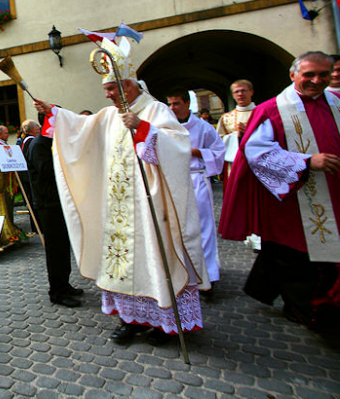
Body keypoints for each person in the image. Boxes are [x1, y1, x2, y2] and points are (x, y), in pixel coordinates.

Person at [34, 42, 209, 345]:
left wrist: (144, 129)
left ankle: (163, 323)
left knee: (154, 261)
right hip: (117, 209)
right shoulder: (110, 115)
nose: (108, 95)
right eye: (106, 89)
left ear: (129, 85)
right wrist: (56, 113)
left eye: (112, 88)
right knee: (121, 263)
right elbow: (83, 129)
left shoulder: (156, 110)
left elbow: (179, 149)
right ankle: (130, 319)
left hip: (150, 208)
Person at [219, 51, 340, 332]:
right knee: (299, 256)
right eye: (308, 74)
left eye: (323, 74)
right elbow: (256, 152)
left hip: (333, 191)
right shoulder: (273, 109)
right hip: (294, 196)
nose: (316, 80)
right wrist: (307, 162)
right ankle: (305, 310)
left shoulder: (335, 103)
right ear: (293, 75)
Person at [166, 89, 225, 291]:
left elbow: (219, 151)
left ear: (187, 103)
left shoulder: (203, 127)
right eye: (170, 104)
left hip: (197, 178)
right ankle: (185, 275)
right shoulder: (166, 127)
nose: (172, 108)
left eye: (176, 103)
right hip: (174, 180)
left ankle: (208, 275)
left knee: (203, 229)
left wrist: (196, 152)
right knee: (178, 229)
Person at [24, 116, 83, 308]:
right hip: (47, 205)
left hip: (58, 204)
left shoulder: (51, 142)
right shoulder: (40, 144)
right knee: (55, 250)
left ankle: (64, 284)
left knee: (63, 247)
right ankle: (56, 291)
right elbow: (48, 172)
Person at [216, 80, 256, 181]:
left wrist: (249, 133)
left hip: (259, 162)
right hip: (235, 164)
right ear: (233, 95)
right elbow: (218, 142)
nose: (240, 94)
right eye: (236, 92)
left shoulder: (263, 113)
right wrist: (235, 136)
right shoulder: (226, 118)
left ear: (251, 92)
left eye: (243, 90)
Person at [19, 120, 39, 234]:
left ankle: (36, 226)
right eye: (37, 128)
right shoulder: (31, 141)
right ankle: (36, 226)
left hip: (27, 176)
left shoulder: (26, 141)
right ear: (31, 130)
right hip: (30, 177)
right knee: (33, 201)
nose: (39, 129)